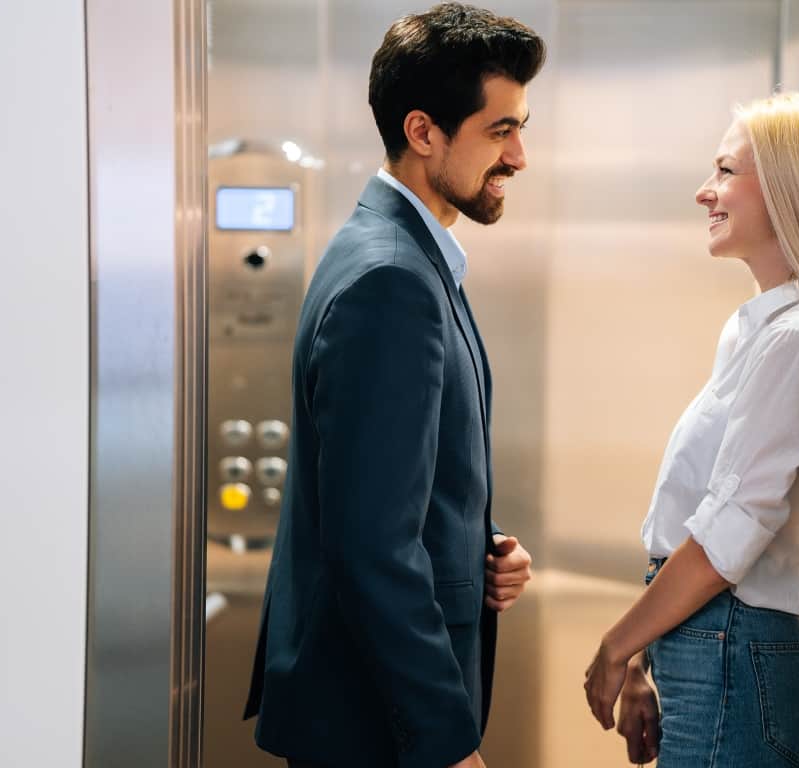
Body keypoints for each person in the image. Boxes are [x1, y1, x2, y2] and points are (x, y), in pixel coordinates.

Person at [243, 5, 546, 768]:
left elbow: (393, 485)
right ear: (423, 132)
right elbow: (372, 544)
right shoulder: (391, 278)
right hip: (373, 726)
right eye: (501, 130)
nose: (519, 157)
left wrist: (478, 543)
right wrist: (445, 744)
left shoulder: (402, 255)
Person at [583, 90, 799, 768]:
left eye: (727, 171)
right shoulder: (762, 331)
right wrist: (650, 648)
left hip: (728, 648)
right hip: (713, 644)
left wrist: (618, 646)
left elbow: (727, 540)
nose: (706, 192)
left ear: (792, 187)